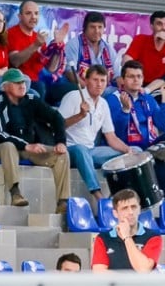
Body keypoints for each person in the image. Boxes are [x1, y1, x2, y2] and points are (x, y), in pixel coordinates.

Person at [0, 68, 71, 215]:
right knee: (9, 146)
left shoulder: (31, 99)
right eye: (17, 83)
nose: (22, 85)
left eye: (23, 82)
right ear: (6, 87)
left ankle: (63, 203)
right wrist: (26, 145)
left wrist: (60, 141)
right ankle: (15, 192)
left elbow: (56, 117)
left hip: (27, 149)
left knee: (62, 155)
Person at [59, 65, 138, 211]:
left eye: (103, 80)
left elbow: (111, 137)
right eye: (95, 80)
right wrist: (80, 115)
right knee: (81, 150)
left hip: (91, 151)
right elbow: (58, 126)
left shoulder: (103, 104)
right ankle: (99, 197)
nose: (99, 84)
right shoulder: (73, 97)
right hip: (70, 149)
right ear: (86, 80)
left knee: (135, 151)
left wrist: (128, 150)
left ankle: (119, 194)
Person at [105, 60, 165, 202]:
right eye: (131, 76)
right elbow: (117, 133)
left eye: (139, 76)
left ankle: (158, 148)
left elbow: (163, 124)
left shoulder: (147, 99)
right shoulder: (114, 99)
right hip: (130, 147)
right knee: (163, 160)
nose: (136, 80)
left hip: (151, 145)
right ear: (122, 80)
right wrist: (126, 110)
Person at [7, 0, 69, 102]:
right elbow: (15, 62)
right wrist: (35, 45)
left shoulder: (38, 37)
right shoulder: (11, 33)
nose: (33, 17)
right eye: (28, 13)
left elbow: (51, 68)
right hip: (23, 83)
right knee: (40, 88)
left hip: (43, 82)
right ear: (19, 16)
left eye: (36, 13)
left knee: (71, 90)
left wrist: (57, 47)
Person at [121, 10, 165, 95]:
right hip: (139, 80)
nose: (164, 28)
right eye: (159, 24)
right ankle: (143, 90)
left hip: (157, 85)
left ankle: (147, 91)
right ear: (151, 26)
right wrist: (136, 77)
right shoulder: (141, 39)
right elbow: (126, 61)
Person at [64, 11, 121, 96]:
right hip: (81, 89)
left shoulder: (108, 49)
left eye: (100, 27)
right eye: (92, 27)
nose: (97, 31)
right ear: (85, 28)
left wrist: (124, 88)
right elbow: (70, 73)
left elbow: (117, 76)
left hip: (104, 92)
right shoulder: (74, 44)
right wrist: (89, 91)